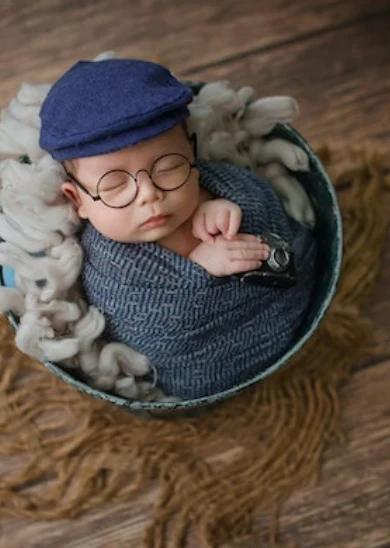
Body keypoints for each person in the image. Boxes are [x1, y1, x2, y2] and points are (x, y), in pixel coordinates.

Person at [39, 58, 317, 399]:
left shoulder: (232, 187)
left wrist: (237, 212)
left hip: (294, 325)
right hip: (206, 374)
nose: (149, 195)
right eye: (114, 186)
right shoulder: (107, 262)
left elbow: (293, 252)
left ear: (192, 153)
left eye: (169, 167)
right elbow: (146, 333)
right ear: (77, 199)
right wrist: (201, 267)